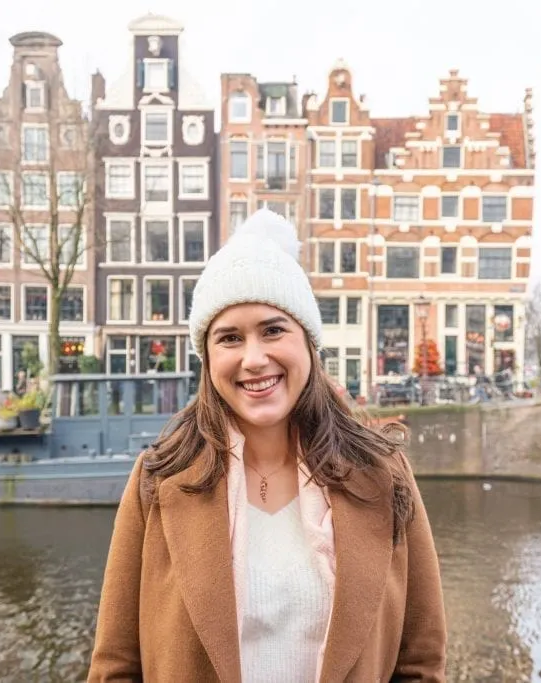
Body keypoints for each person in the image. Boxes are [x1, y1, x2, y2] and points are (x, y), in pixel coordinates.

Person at [87, 209, 447, 682]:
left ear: (308, 344)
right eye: (229, 338)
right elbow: (116, 665)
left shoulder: (383, 475)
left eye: (273, 330)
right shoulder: (159, 479)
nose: (254, 359)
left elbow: (420, 663)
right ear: (209, 357)